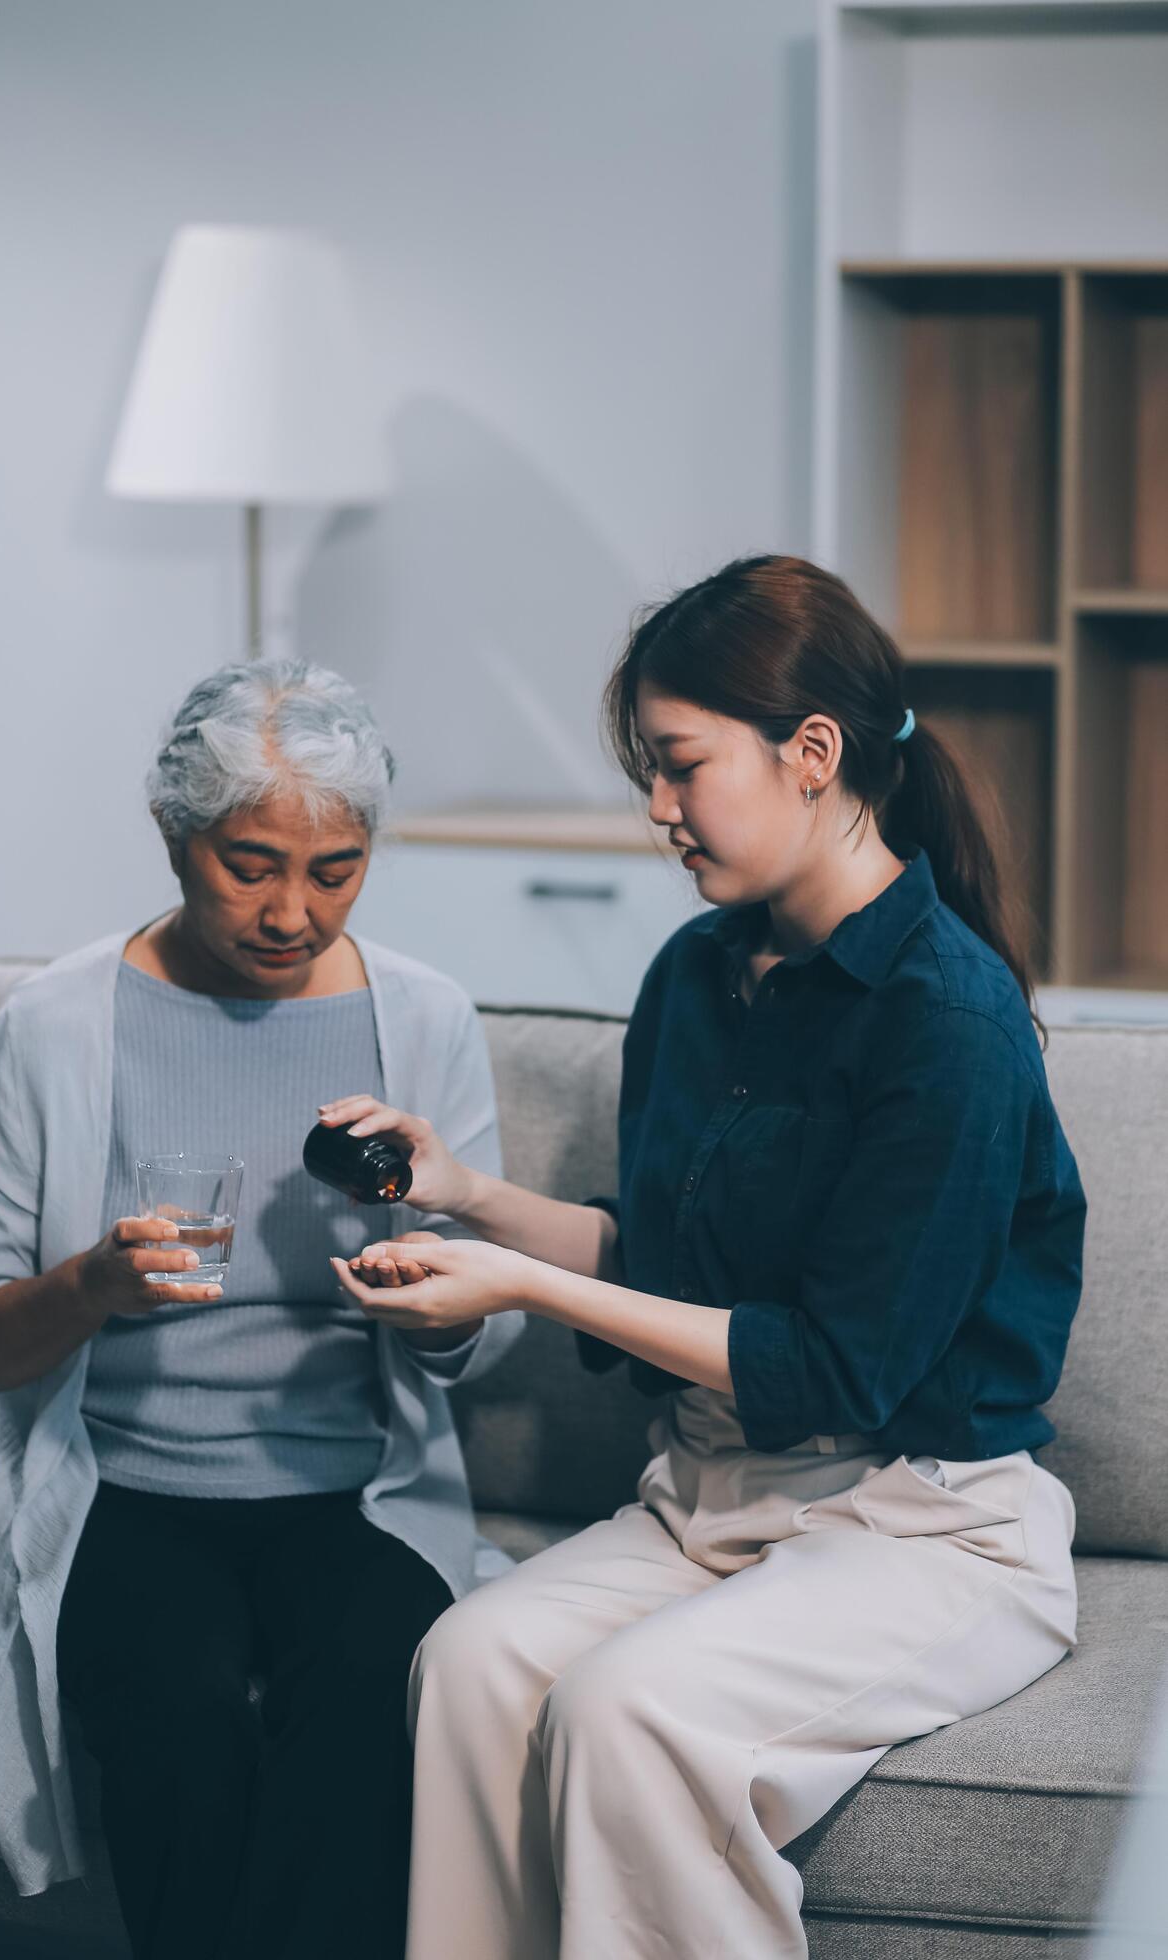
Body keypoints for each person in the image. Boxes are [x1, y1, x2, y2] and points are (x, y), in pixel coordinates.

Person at [328, 554, 1087, 1960]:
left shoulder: (948, 1024)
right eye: (650, 773)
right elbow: (667, 1262)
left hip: (924, 1529)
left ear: (813, 755)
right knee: (472, 1662)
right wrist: (468, 1195)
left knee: (630, 1708)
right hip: (713, 1500)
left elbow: (836, 1365)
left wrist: (527, 1286)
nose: (658, 810)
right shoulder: (696, 976)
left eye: (680, 765)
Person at [0, 658, 522, 1960]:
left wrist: (437, 1309)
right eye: (248, 863)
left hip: (358, 1484)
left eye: (334, 871)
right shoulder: (56, 1028)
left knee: (365, 1698)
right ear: (174, 838)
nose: (291, 912)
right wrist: (92, 1284)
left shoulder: (425, 1020)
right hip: (128, 1484)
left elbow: (486, 1323)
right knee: (177, 1709)